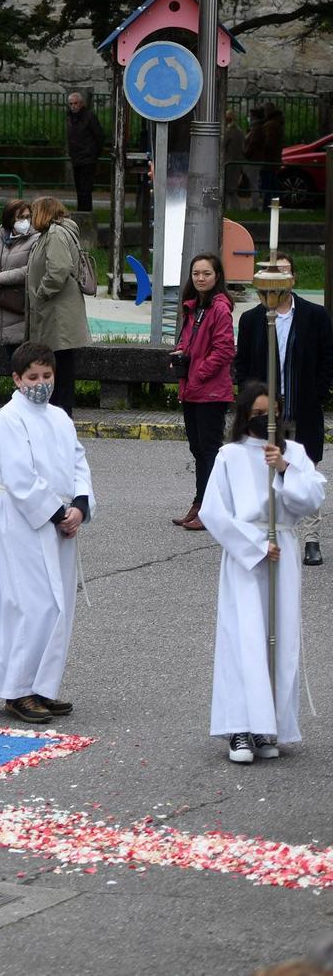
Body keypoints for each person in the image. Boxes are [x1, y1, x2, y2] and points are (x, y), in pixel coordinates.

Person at [201, 384, 323, 763]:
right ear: (244, 415)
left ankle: (268, 725)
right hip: (246, 555)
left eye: (271, 412)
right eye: (257, 412)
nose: (264, 420)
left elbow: (313, 497)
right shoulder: (230, 455)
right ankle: (239, 727)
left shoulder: (294, 453)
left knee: (279, 639)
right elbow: (213, 511)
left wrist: (284, 468)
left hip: (282, 549)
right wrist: (254, 546)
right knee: (245, 637)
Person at [0, 342, 93, 725]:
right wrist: (58, 512)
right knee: (29, 603)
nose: (41, 384)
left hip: (58, 517)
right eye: (33, 377)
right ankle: (17, 689)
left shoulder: (59, 417)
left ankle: (43, 686)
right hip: (22, 518)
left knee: (59, 605)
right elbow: (20, 475)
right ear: (16, 379)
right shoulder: (6, 420)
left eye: (47, 376)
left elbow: (78, 461)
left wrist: (79, 504)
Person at [233, 252, 331, 468]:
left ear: (293, 278)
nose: (279, 277)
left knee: (302, 470)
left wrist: (318, 394)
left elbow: (327, 358)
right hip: (264, 406)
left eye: (285, 271)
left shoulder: (316, 316)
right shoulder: (251, 319)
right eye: (274, 271)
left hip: (303, 404)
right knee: (264, 469)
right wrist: (250, 396)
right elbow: (242, 363)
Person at [172, 252, 237, 530]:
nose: (200, 278)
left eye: (206, 273)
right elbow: (194, 344)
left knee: (209, 450)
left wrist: (198, 373)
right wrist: (179, 355)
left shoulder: (220, 308)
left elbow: (224, 350)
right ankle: (200, 503)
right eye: (196, 273)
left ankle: (210, 509)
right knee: (198, 450)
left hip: (210, 392)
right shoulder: (194, 307)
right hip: (192, 389)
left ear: (217, 277)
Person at [24, 196, 93, 413]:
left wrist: (41, 293)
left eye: (33, 212)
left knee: (59, 371)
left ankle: (60, 420)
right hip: (56, 311)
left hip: (56, 312)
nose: (31, 218)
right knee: (60, 369)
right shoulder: (55, 233)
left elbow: (58, 270)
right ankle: (60, 417)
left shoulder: (54, 234)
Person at [0, 198, 38, 375]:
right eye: (20, 217)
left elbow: (30, 269)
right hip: (0, 306)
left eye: (28, 217)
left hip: (21, 306)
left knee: (24, 362)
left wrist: (0, 278)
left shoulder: (36, 239)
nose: (25, 221)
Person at [65, 93, 105, 219]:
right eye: (71, 104)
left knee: (86, 188)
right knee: (79, 188)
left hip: (87, 158)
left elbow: (99, 136)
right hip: (77, 158)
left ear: (81, 103)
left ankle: (86, 213)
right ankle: (81, 212)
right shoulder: (71, 118)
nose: (73, 106)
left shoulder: (89, 117)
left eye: (75, 103)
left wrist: (93, 153)